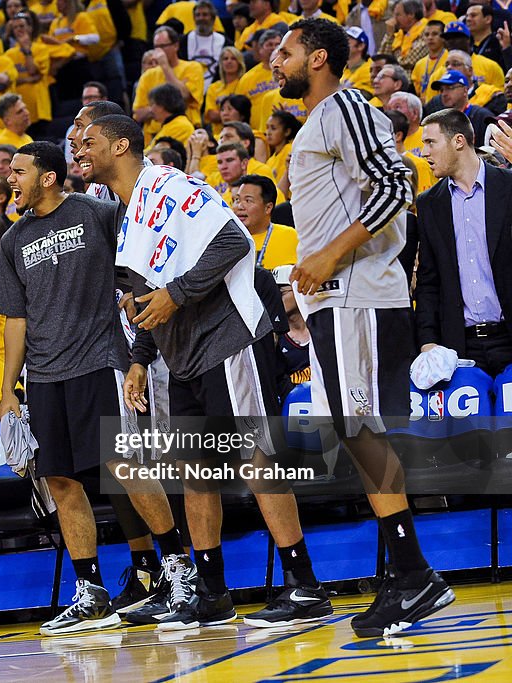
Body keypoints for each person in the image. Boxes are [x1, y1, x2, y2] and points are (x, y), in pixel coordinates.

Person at [80, 114, 332, 630]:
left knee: (260, 461)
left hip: (229, 339)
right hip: (179, 355)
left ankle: (305, 586)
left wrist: (177, 294)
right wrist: (140, 356)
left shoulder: (173, 186)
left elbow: (233, 243)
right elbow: (151, 295)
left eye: (89, 142)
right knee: (196, 475)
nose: (78, 150)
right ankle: (212, 591)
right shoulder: (127, 215)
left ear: (122, 145)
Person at [272, 17, 454, 637]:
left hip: (359, 293)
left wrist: (327, 255)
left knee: (362, 428)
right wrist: (312, 261)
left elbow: (395, 182)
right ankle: (408, 574)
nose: (276, 61)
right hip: (334, 297)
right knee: (356, 432)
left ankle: (412, 578)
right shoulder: (315, 125)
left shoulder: (346, 104)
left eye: (286, 51)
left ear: (319, 58)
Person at [0, 141, 181, 636]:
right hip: (45, 376)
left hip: (100, 362)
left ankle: (181, 572)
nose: (9, 179)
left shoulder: (97, 213)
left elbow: (143, 258)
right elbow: (16, 319)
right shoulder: (13, 240)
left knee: (126, 468)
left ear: (49, 176)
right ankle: (89, 590)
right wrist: (10, 388)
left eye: (17, 171)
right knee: (60, 482)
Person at [416, 108, 512, 377]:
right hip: (460, 347)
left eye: (430, 143)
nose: (424, 153)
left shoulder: (508, 186)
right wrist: (427, 341)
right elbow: (428, 280)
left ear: (459, 141)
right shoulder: (428, 203)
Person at [231, 174, 299, 269]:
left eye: (248, 200)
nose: (239, 206)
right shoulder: (226, 240)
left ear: (268, 208)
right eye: (237, 200)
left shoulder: (290, 236)